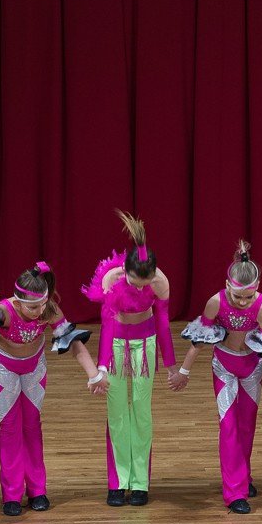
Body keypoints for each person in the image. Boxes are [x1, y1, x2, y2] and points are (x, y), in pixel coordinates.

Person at [0, 260, 100, 516]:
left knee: (32, 425)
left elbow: (74, 343)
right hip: (4, 370)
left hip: (34, 369)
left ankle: (37, 490)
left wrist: (93, 374)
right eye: (33, 307)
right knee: (10, 427)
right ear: (18, 302)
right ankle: (11, 494)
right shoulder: (5, 311)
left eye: (42, 304)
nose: (39, 311)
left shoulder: (48, 309)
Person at [175, 241, 262, 514]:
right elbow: (199, 341)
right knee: (228, 427)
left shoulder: (261, 305)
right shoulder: (215, 303)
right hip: (224, 367)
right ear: (227, 285)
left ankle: (243, 476)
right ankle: (235, 493)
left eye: (248, 297)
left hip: (251, 368)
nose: (242, 302)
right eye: (238, 297)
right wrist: (183, 372)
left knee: (247, 426)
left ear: (257, 288)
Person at [81, 212, 175, 507]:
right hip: (117, 345)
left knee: (142, 411)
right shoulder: (112, 278)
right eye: (135, 282)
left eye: (145, 283)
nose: (140, 288)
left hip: (145, 345)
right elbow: (108, 323)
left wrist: (171, 365)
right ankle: (117, 482)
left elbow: (163, 322)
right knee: (118, 411)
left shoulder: (160, 282)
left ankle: (140, 483)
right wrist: (101, 366)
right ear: (126, 270)